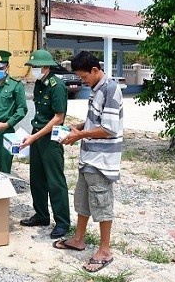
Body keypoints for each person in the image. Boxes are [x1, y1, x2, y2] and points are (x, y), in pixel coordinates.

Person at [54, 51, 123, 273]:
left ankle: (105, 250)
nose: (83, 81)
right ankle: (78, 239)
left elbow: (110, 128)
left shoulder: (111, 89)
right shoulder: (97, 89)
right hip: (89, 158)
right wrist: (80, 127)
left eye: (84, 77)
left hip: (101, 160)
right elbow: (97, 119)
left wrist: (79, 136)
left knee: (102, 204)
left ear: (95, 70)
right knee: (83, 201)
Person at [19, 49, 70, 239]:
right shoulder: (39, 84)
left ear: (46, 67)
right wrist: (33, 136)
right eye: (32, 67)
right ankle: (41, 215)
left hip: (50, 138)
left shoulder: (57, 86)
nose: (34, 70)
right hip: (37, 134)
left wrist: (35, 137)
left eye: (36, 67)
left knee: (55, 180)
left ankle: (62, 222)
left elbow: (58, 118)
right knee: (37, 178)